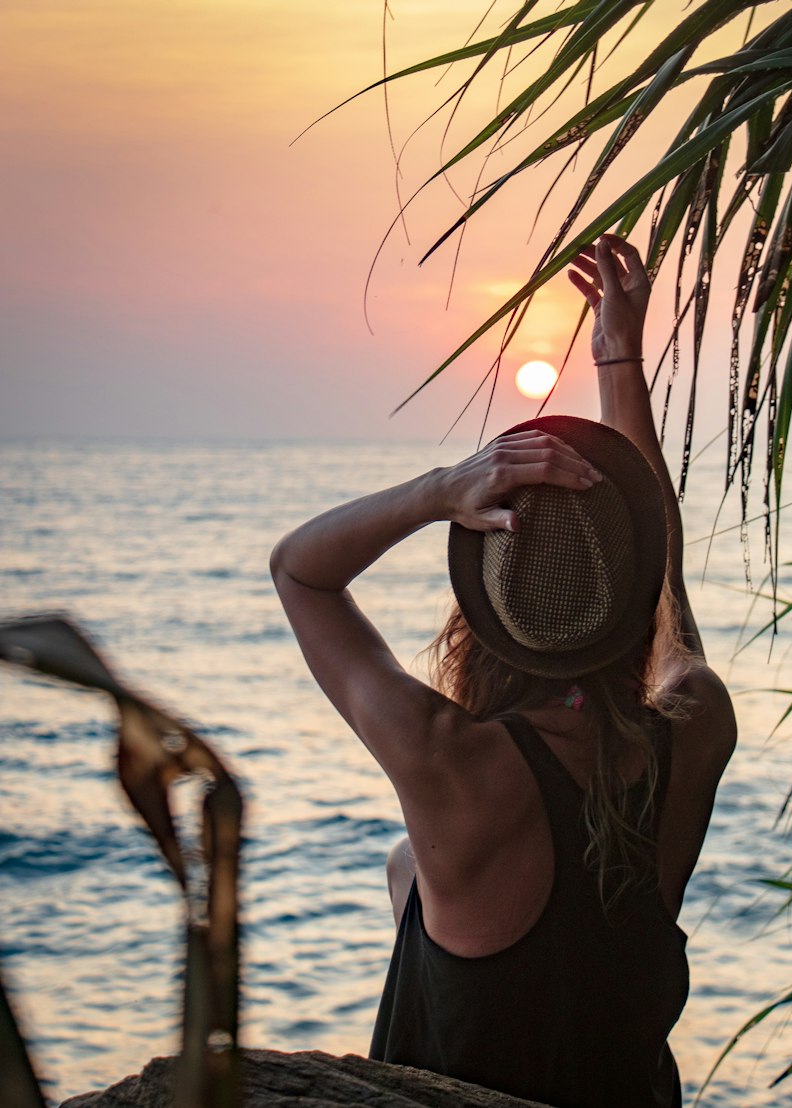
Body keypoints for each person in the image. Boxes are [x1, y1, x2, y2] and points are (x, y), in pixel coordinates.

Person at [271, 234, 737, 1107]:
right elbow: (661, 573)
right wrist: (619, 358)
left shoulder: (452, 761)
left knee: (413, 865)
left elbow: (299, 568)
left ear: (487, 615)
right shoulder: (696, 720)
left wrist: (440, 489)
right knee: (414, 862)